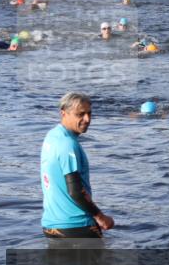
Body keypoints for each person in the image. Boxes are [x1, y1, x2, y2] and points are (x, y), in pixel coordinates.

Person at [39, 93, 115, 239]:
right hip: (77, 227)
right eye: (80, 114)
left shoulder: (52, 136)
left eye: (89, 113)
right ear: (63, 113)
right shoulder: (68, 145)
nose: (87, 119)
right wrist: (101, 217)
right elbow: (76, 191)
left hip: (51, 226)